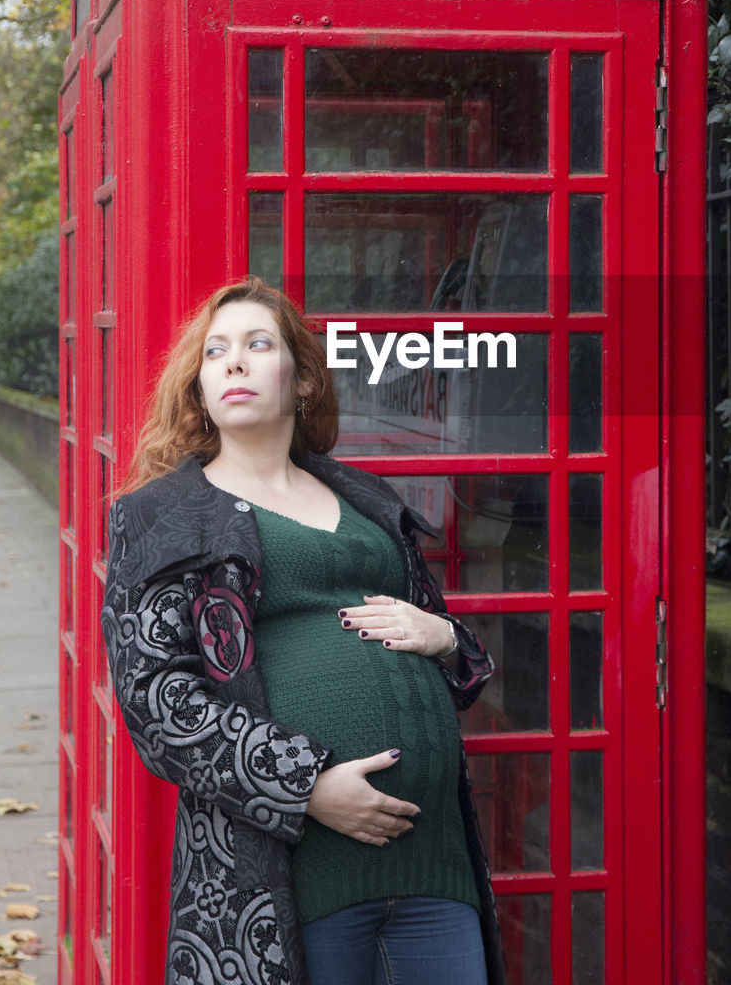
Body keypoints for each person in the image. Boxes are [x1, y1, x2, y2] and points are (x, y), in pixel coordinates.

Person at [101, 278, 505, 985]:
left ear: (304, 380)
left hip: (433, 864)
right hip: (287, 876)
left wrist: (445, 639)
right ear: (197, 389)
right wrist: (305, 785)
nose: (235, 362)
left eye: (259, 345)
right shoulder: (163, 517)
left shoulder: (370, 500)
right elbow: (157, 702)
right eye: (216, 351)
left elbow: (454, 661)